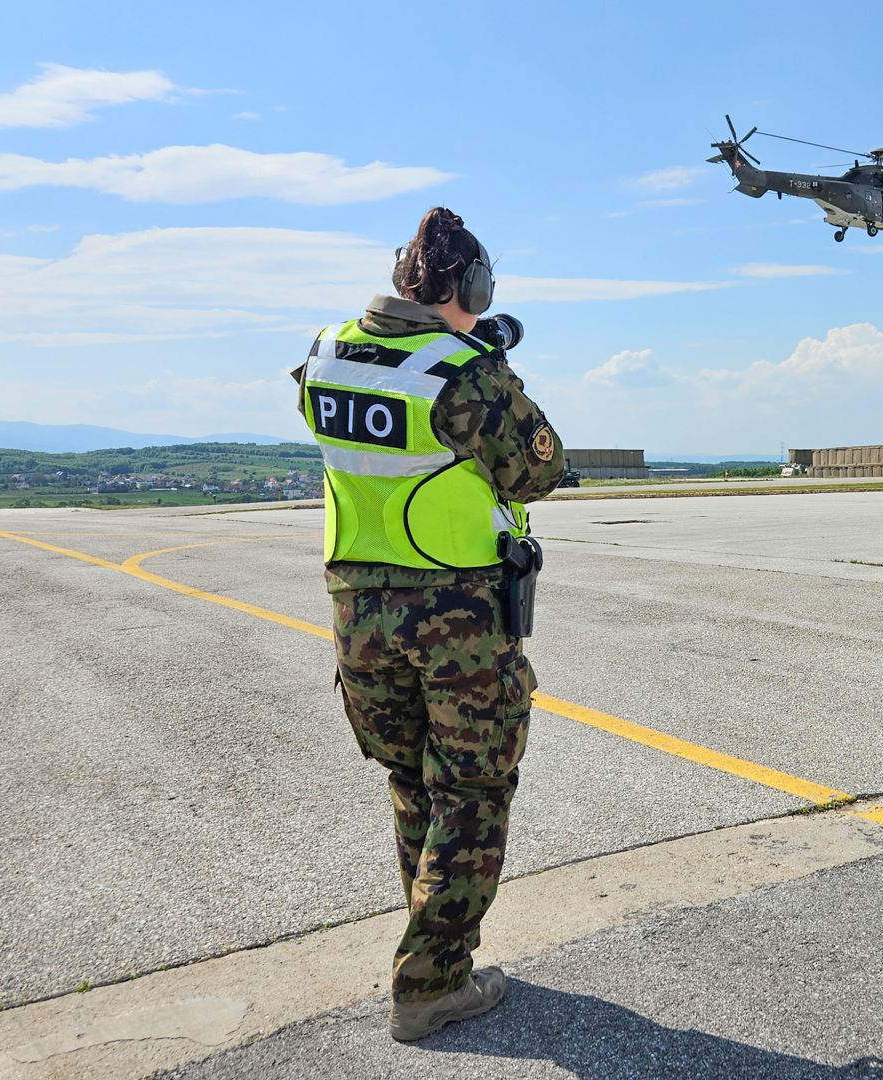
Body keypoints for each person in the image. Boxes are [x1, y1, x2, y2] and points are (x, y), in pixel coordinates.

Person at [291, 206, 563, 1041]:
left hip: (356, 608)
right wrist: (489, 365)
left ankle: (431, 950)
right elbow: (539, 470)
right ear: (468, 286)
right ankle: (431, 982)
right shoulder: (466, 375)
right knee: (474, 790)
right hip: (453, 612)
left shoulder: (325, 356)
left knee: (413, 782)